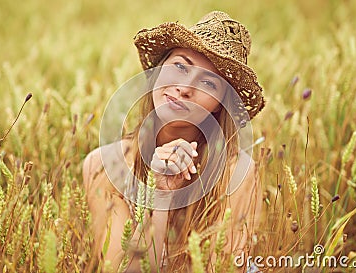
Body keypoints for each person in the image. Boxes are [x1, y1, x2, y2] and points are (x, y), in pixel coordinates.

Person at [83, 11, 265, 272]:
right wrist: (162, 197)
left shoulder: (236, 174)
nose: (184, 87)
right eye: (180, 66)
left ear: (218, 106)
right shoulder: (104, 166)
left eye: (208, 83)